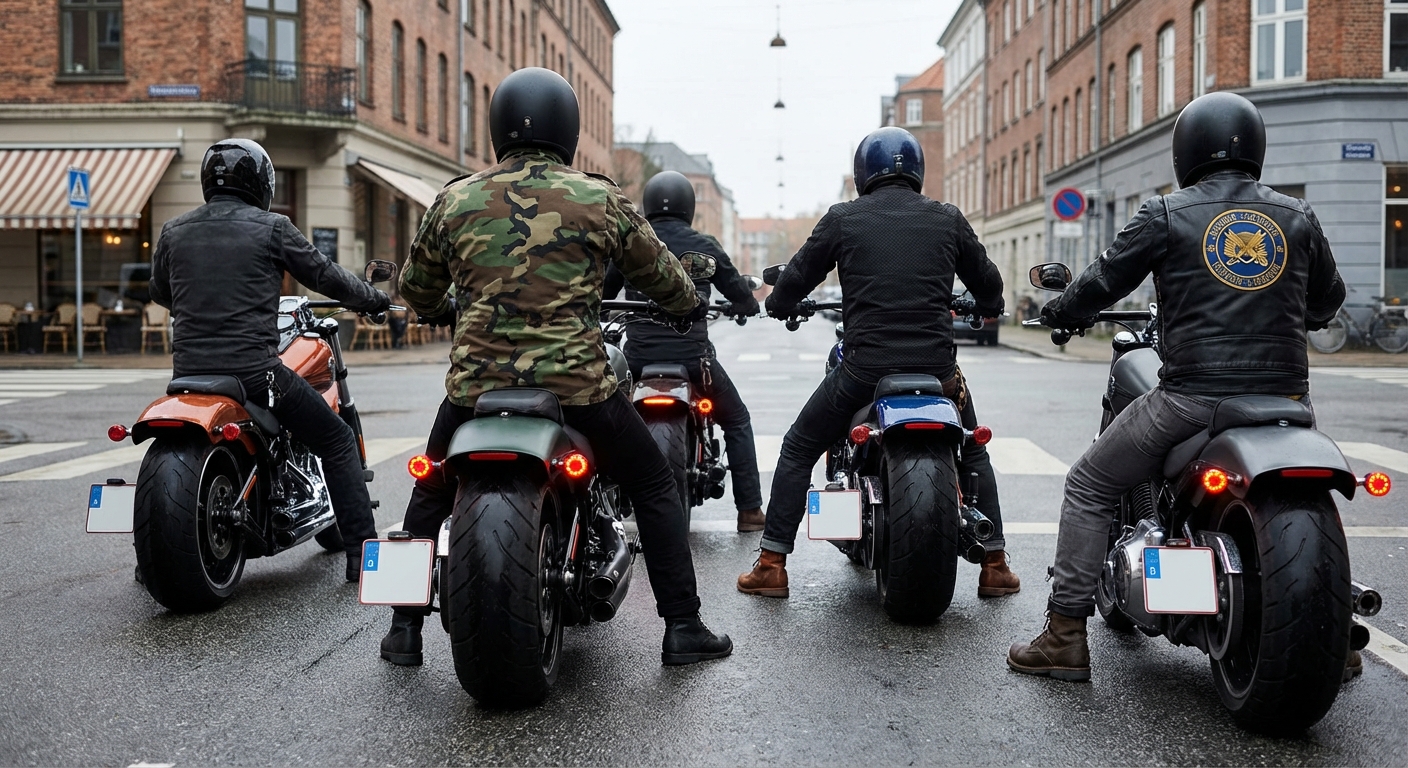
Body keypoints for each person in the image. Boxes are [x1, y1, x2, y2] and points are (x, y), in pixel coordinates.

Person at [379, 67, 732, 668]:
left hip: (475, 388)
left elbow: (416, 289)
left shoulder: (456, 198)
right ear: (567, 129)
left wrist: (443, 309)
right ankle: (682, 627)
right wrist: (685, 304)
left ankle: (403, 629)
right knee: (650, 482)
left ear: (497, 129)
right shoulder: (598, 198)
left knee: (429, 492)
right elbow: (664, 278)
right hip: (578, 388)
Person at [1007, 92, 1346, 681]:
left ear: (1185, 148)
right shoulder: (1297, 216)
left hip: (1194, 399)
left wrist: (1062, 311)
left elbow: (1104, 280)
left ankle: (1064, 635)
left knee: (1087, 482)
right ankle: (1336, 638)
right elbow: (1327, 303)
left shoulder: (1166, 213)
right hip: (1288, 403)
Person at [736, 126, 1019, 600]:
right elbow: (990, 286)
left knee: (800, 446)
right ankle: (994, 564)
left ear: (862, 173)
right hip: (939, 375)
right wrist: (984, 303)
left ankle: (771, 563)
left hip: (864, 373)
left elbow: (798, 277)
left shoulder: (844, 219)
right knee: (972, 449)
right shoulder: (947, 218)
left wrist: (782, 302)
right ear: (918, 171)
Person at [149, 139, 391, 582]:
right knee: (336, 440)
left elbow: (162, 292)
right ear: (261, 183)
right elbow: (325, 274)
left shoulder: (172, 230)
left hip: (187, 375)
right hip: (256, 375)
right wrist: (373, 298)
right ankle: (362, 556)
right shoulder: (272, 227)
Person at [603, 170, 766, 533]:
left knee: (608, 422)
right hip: (694, 361)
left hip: (639, 358)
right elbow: (738, 290)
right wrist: (745, 304)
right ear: (689, 207)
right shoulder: (703, 244)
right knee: (736, 419)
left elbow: (604, 291)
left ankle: (606, 505)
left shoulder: (632, 242)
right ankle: (750, 511)